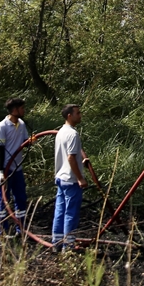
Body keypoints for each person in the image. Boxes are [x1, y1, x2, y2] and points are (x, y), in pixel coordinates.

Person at [52, 103, 88, 251]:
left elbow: (73, 154)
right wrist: (80, 178)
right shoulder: (73, 134)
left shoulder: (61, 132)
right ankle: (68, 246)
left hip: (61, 178)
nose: (80, 115)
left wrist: (83, 159)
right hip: (71, 180)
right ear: (69, 116)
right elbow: (71, 158)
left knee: (60, 212)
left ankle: (56, 243)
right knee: (71, 214)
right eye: (77, 113)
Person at [0, 97, 30, 236]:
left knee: (20, 198)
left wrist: (30, 141)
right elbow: (0, 149)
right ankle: (2, 231)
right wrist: (1, 171)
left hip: (17, 169)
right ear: (14, 110)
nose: (24, 110)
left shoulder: (21, 124)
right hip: (4, 169)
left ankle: (21, 229)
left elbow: (24, 141)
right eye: (22, 108)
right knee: (3, 200)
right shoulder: (2, 127)